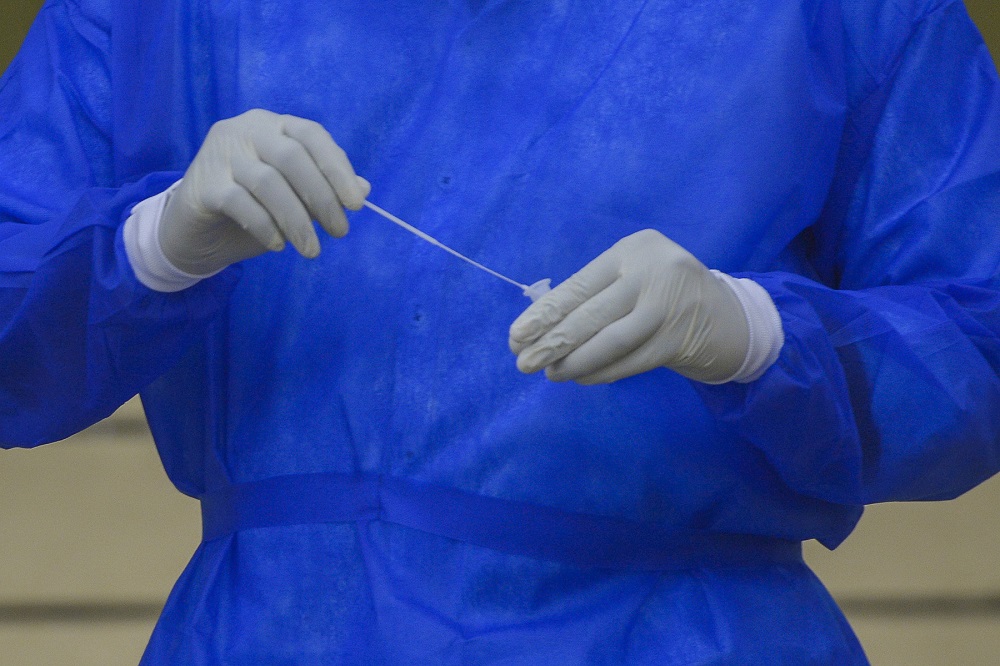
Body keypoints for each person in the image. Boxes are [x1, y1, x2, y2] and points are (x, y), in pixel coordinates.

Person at [3, 0, 1000, 662]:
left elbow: (978, 345)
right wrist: (155, 240)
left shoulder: (837, 16)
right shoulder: (157, 17)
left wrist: (751, 333)